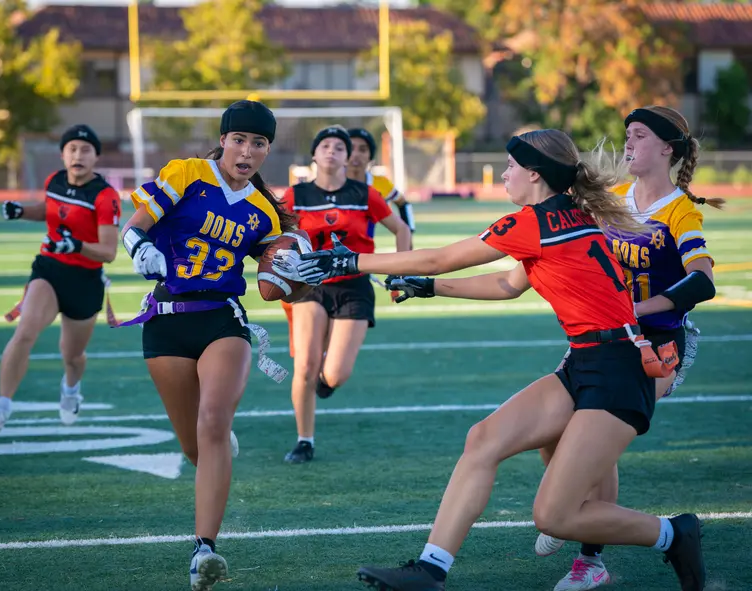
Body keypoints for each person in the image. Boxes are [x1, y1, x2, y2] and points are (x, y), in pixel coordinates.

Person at [276, 129, 706, 591]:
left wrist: (349, 262)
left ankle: (673, 533)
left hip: (619, 369)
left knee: (554, 516)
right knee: (482, 439)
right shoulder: (568, 213)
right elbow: (508, 284)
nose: (503, 175)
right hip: (586, 360)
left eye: (511, 167)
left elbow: (440, 258)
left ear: (535, 174)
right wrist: (431, 289)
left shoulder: (535, 221)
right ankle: (431, 569)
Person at [118, 100, 304, 591]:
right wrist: (140, 248)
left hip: (222, 318)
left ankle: (204, 550)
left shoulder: (264, 211)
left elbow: (279, 276)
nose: (247, 151)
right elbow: (133, 227)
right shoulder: (186, 173)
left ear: (267, 150)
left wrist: (299, 269)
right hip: (166, 321)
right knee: (194, 445)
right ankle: (212, 448)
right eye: (239, 139)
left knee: (214, 421)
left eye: (258, 143)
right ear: (223, 140)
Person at [536, 105, 720, 591]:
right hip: (606, 338)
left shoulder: (680, 211)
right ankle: (571, 509)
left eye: (639, 135)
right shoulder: (614, 200)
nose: (628, 144)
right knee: (551, 429)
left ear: (667, 149)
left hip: (657, 348)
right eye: (627, 135)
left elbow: (702, 281)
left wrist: (638, 309)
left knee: (595, 436)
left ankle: (589, 558)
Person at [278, 125, 411, 464]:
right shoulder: (295, 195)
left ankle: (326, 378)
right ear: (314, 154)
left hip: (354, 285)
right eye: (325, 145)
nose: (332, 151)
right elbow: (272, 233)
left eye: (339, 147)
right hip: (311, 284)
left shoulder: (365, 194)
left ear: (347, 156)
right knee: (305, 364)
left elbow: (402, 229)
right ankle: (304, 440)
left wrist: (400, 272)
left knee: (336, 374)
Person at [0, 124, 120, 432]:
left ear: (96, 156)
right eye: (72, 149)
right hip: (49, 270)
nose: (78, 155)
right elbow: (49, 209)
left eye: (85, 150)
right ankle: (1, 406)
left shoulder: (104, 195)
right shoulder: (54, 180)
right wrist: (21, 211)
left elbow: (109, 251)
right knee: (25, 332)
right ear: (62, 155)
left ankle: (70, 389)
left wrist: (76, 245)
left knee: (72, 356)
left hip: (85, 280)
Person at [347, 127, 416, 237]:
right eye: (350, 148)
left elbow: (403, 203)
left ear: (370, 157)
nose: (355, 154)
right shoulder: (329, 183)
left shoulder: (380, 184)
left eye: (363, 150)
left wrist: (408, 233)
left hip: (365, 246)